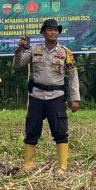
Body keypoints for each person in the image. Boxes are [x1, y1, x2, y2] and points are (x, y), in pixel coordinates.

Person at [14, 18, 80, 172]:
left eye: (55, 30)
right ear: (43, 32)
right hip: (36, 96)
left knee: (60, 132)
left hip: (56, 96)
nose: (53, 32)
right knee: (31, 131)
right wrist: (19, 50)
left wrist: (75, 98)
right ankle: (28, 165)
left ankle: (62, 168)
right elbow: (18, 64)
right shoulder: (34, 50)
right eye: (49, 29)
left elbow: (73, 75)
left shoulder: (65, 52)